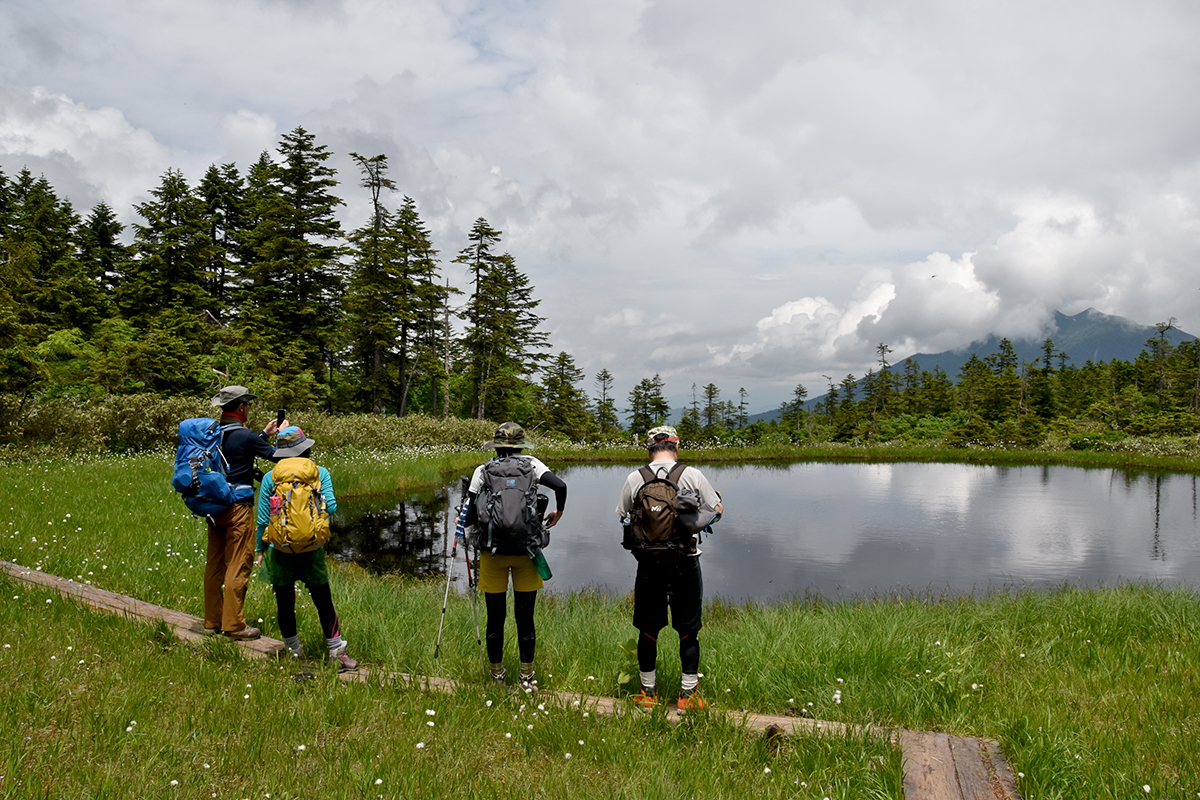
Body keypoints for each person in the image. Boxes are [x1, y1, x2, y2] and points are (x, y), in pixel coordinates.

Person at [616, 425, 723, 711]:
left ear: (648, 449)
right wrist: (717, 505)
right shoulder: (692, 475)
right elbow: (715, 512)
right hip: (685, 561)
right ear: (676, 447)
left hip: (648, 564)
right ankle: (688, 696)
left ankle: (647, 693)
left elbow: (623, 516)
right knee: (688, 629)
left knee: (648, 628)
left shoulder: (634, 478)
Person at [465, 422, 566, 689]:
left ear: (496, 445)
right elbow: (561, 486)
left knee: (495, 617)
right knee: (525, 617)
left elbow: (471, 511)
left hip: (492, 552)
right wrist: (559, 512)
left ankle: (497, 676)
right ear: (521, 444)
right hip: (527, 551)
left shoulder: (483, 469)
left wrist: (462, 524)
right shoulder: (533, 465)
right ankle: (526, 677)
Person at [254, 426, 356, 671]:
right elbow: (330, 507)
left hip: (280, 550)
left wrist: (260, 548)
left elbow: (262, 519)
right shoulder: (320, 473)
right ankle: (336, 652)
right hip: (312, 548)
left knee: (285, 601)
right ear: (305, 449)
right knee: (323, 600)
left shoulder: (270, 477)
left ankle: (293, 651)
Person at [203, 385, 285, 640]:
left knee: (215, 563)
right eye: (248, 405)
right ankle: (234, 625)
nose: (249, 408)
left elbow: (237, 452)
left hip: (214, 506)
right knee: (239, 562)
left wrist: (263, 433)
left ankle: (212, 621)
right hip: (238, 507)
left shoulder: (214, 433)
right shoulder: (246, 436)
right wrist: (281, 436)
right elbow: (279, 458)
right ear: (241, 407)